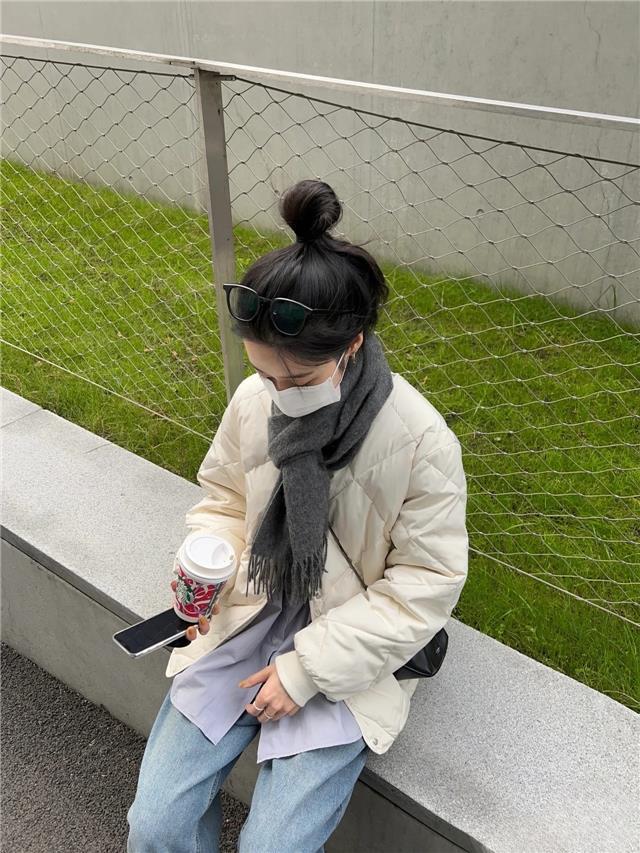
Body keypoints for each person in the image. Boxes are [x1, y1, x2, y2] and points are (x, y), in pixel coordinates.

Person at [126, 179, 469, 853]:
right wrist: (210, 561)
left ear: (352, 345)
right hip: (250, 613)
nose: (277, 395)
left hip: (347, 645)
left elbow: (425, 583)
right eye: (265, 375)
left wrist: (307, 669)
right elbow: (224, 499)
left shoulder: (421, 443)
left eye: (299, 381)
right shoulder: (255, 399)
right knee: (156, 825)